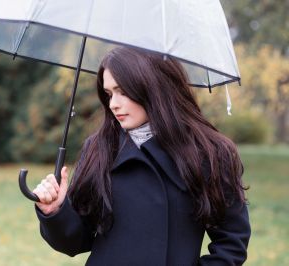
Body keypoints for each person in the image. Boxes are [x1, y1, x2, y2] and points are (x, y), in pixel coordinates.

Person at [32, 47, 251, 265]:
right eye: (109, 94)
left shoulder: (210, 153)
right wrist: (56, 212)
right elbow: (76, 241)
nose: (113, 104)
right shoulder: (100, 148)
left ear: (153, 87)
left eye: (123, 91)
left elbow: (231, 245)